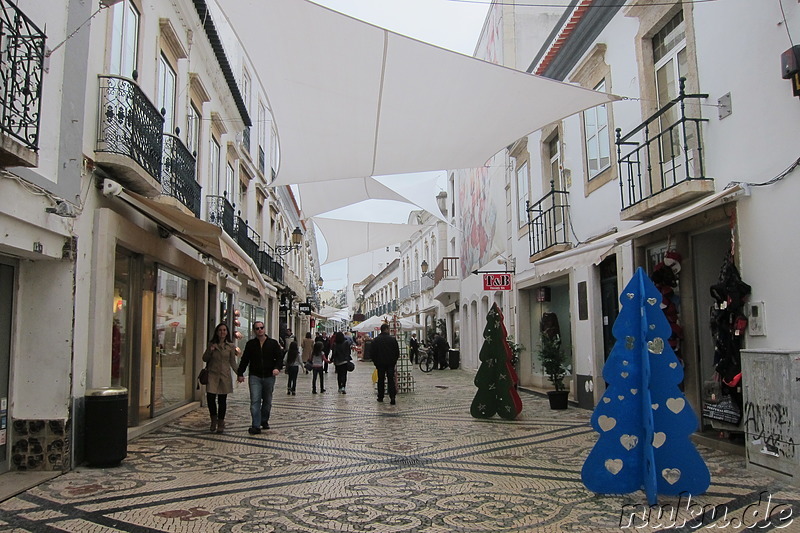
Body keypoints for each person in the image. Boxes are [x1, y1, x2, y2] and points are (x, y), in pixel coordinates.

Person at [237, 321, 283, 435]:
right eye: (257, 328)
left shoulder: (272, 343)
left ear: (264, 329)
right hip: (255, 376)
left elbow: (279, 358)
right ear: (254, 330)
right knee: (255, 400)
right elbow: (245, 360)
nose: (259, 330)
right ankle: (256, 425)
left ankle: (264, 420)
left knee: (267, 401)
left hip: (269, 376)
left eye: (261, 328)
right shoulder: (250, 344)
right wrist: (240, 373)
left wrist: (277, 368)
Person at [202, 323, 238, 434]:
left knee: (222, 400)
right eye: (220, 330)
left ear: (227, 332)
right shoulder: (212, 344)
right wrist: (210, 350)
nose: (222, 332)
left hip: (224, 376)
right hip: (212, 375)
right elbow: (205, 358)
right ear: (217, 332)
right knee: (210, 398)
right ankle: (213, 419)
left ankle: (221, 422)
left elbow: (232, 361)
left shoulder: (231, 346)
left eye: (224, 330)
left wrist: (239, 373)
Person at [371, 323, 400, 405]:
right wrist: (394, 361)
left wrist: (375, 362)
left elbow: (372, 353)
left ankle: (380, 397)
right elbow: (397, 352)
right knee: (391, 379)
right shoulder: (392, 339)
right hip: (390, 363)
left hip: (380, 364)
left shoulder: (376, 340)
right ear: (387, 329)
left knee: (381, 380)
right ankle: (392, 397)